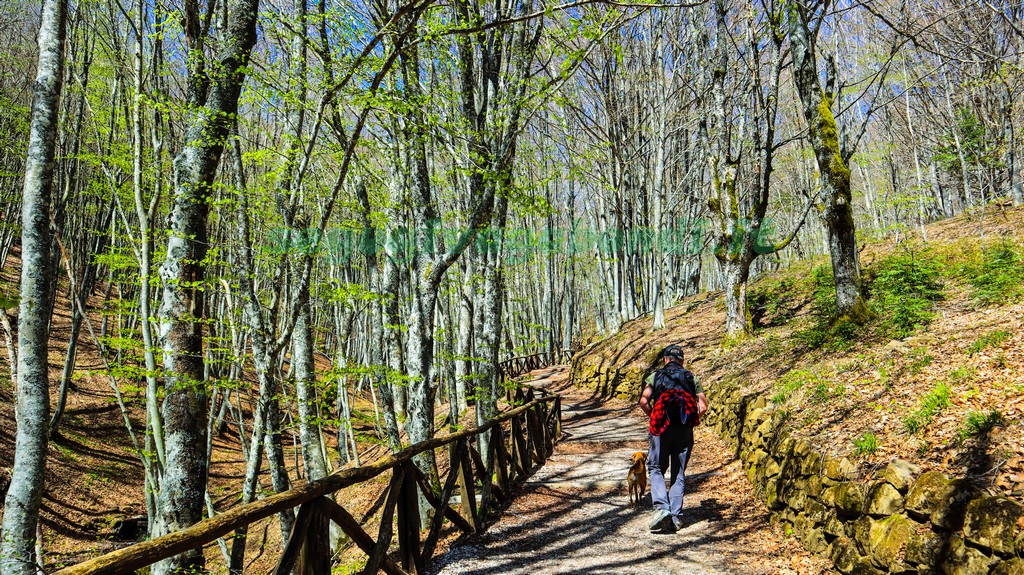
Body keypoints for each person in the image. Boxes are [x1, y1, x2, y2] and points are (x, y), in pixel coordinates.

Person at [639, 343, 708, 533]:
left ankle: (662, 509)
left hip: (661, 429)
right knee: (678, 473)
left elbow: (643, 401)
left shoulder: (656, 376)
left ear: (665, 359)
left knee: (655, 467)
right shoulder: (691, 377)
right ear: (682, 361)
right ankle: (676, 517)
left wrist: (654, 416)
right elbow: (702, 407)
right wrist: (690, 421)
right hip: (684, 430)